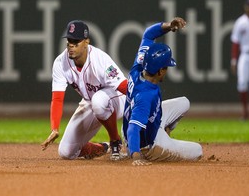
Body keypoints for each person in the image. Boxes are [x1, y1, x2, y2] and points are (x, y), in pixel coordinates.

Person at [41, 20, 127, 160]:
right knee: (66, 152)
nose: (71, 46)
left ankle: (115, 141)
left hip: (116, 98)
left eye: (76, 42)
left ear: (86, 42)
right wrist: (55, 128)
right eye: (69, 41)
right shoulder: (60, 63)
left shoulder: (100, 59)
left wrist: (143, 103)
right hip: (90, 102)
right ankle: (102, 148)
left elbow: (124, 86)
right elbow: (57, 98)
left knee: (98, 101)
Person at [122, 18, 203, 166]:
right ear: (160, 71)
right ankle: (156, 146)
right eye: (166, 67)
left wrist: (169, 26)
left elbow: (148, 35)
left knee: (184, 102)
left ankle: (165, 129)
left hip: (147, 120)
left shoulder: (138, 66)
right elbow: (134, 128)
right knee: (198, 151)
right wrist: (136, 156)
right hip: (146, 143)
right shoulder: (146, 95)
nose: (167, 70)